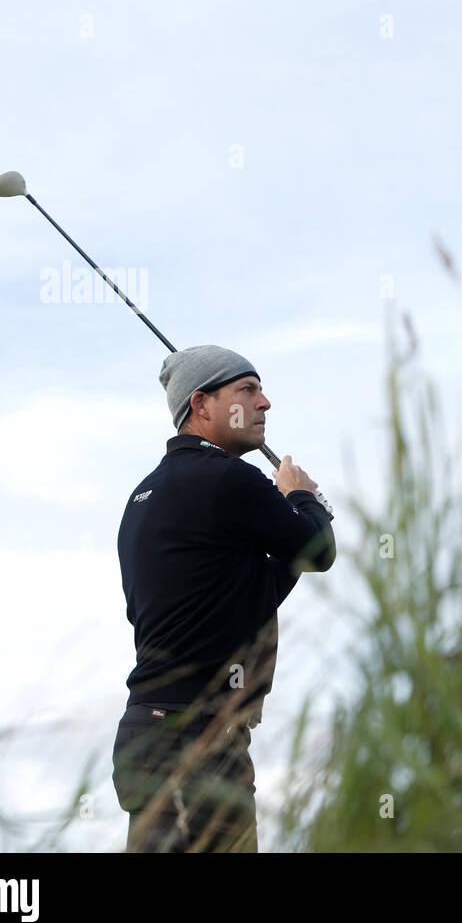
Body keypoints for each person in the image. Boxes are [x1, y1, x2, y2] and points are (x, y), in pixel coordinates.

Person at [111, 345, 337, 852]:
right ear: (201, 403)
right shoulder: (231, 478)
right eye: (247, 389)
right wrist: (301, 496)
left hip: (148, 736)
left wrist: (293, 512)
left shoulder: (140, 499)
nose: (265, 404)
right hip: (200, 741)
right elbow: (318, 549)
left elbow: (243, 600)